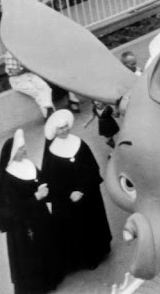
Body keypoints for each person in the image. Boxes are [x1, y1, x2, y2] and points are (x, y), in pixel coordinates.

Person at [42, 110, 112, 273]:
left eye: (66, 126)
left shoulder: (79, 143)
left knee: (92, 224)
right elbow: (52, 181)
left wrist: (82, 189)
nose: (64, 130)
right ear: (55, 132)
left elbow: (92, 168)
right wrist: (69, 194)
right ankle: (86, 259)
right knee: (77, 229)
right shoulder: (52, 153)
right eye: (60, 129)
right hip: (68, 202)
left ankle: (99, 251)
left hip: (88, 194)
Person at [0, 129, 63, 294]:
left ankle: (52, 278)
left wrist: (45, 187)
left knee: (47, 245)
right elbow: (12, 209)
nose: (24, 150)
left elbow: (40, 180)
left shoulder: (28, 164)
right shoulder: (7, 178)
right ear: (12, 154)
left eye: (24, 147)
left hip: (40, 216)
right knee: (32, 255)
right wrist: (36, 196)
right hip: (23, 225)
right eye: (20, 149)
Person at [5, 51, 55, 120]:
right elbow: (14, 72)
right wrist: (27, 68)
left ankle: (49, 112)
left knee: (45, 88)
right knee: (38, 93)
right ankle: (50, 115)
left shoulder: (23, 49)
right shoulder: (10, 53)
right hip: (17, 79)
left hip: (29, 75)